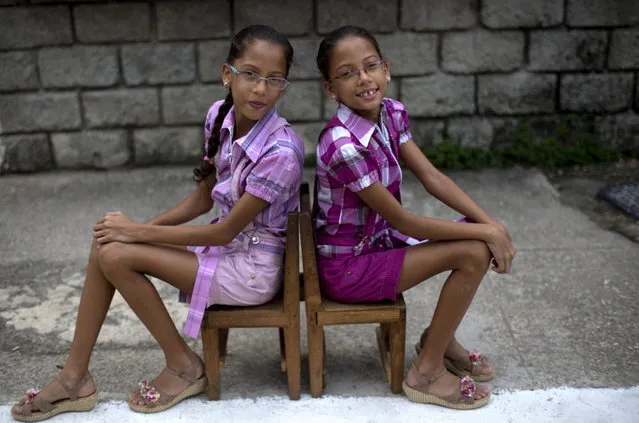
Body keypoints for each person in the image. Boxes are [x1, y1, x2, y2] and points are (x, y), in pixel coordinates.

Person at [11, 24, 304, 421]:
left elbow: (223, 230)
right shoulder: (220, 116)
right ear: (226, 74)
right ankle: (74, 377)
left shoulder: (281, 150)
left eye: (273, 79)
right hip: (224, 251)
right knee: (108, 247)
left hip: (250, 271)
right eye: (249, 73)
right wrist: (133, 234)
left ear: (283, 86)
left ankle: (182, 366)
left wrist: (136, 234)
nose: (260, 88)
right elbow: (203, 198)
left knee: (116, 255)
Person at [313, 25, 516, 410]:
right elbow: (405, 221)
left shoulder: (391, 114)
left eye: (370, 66)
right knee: (473, 252)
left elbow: (432, 177)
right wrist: (486, 232)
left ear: (386, 69)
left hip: (380, 244)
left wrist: (491, 223)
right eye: (347, 73)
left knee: (477, 239)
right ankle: (425, 372)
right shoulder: (342, 144)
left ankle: (438, 339)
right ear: (331, 89)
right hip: (349, 268)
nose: (364, 78)